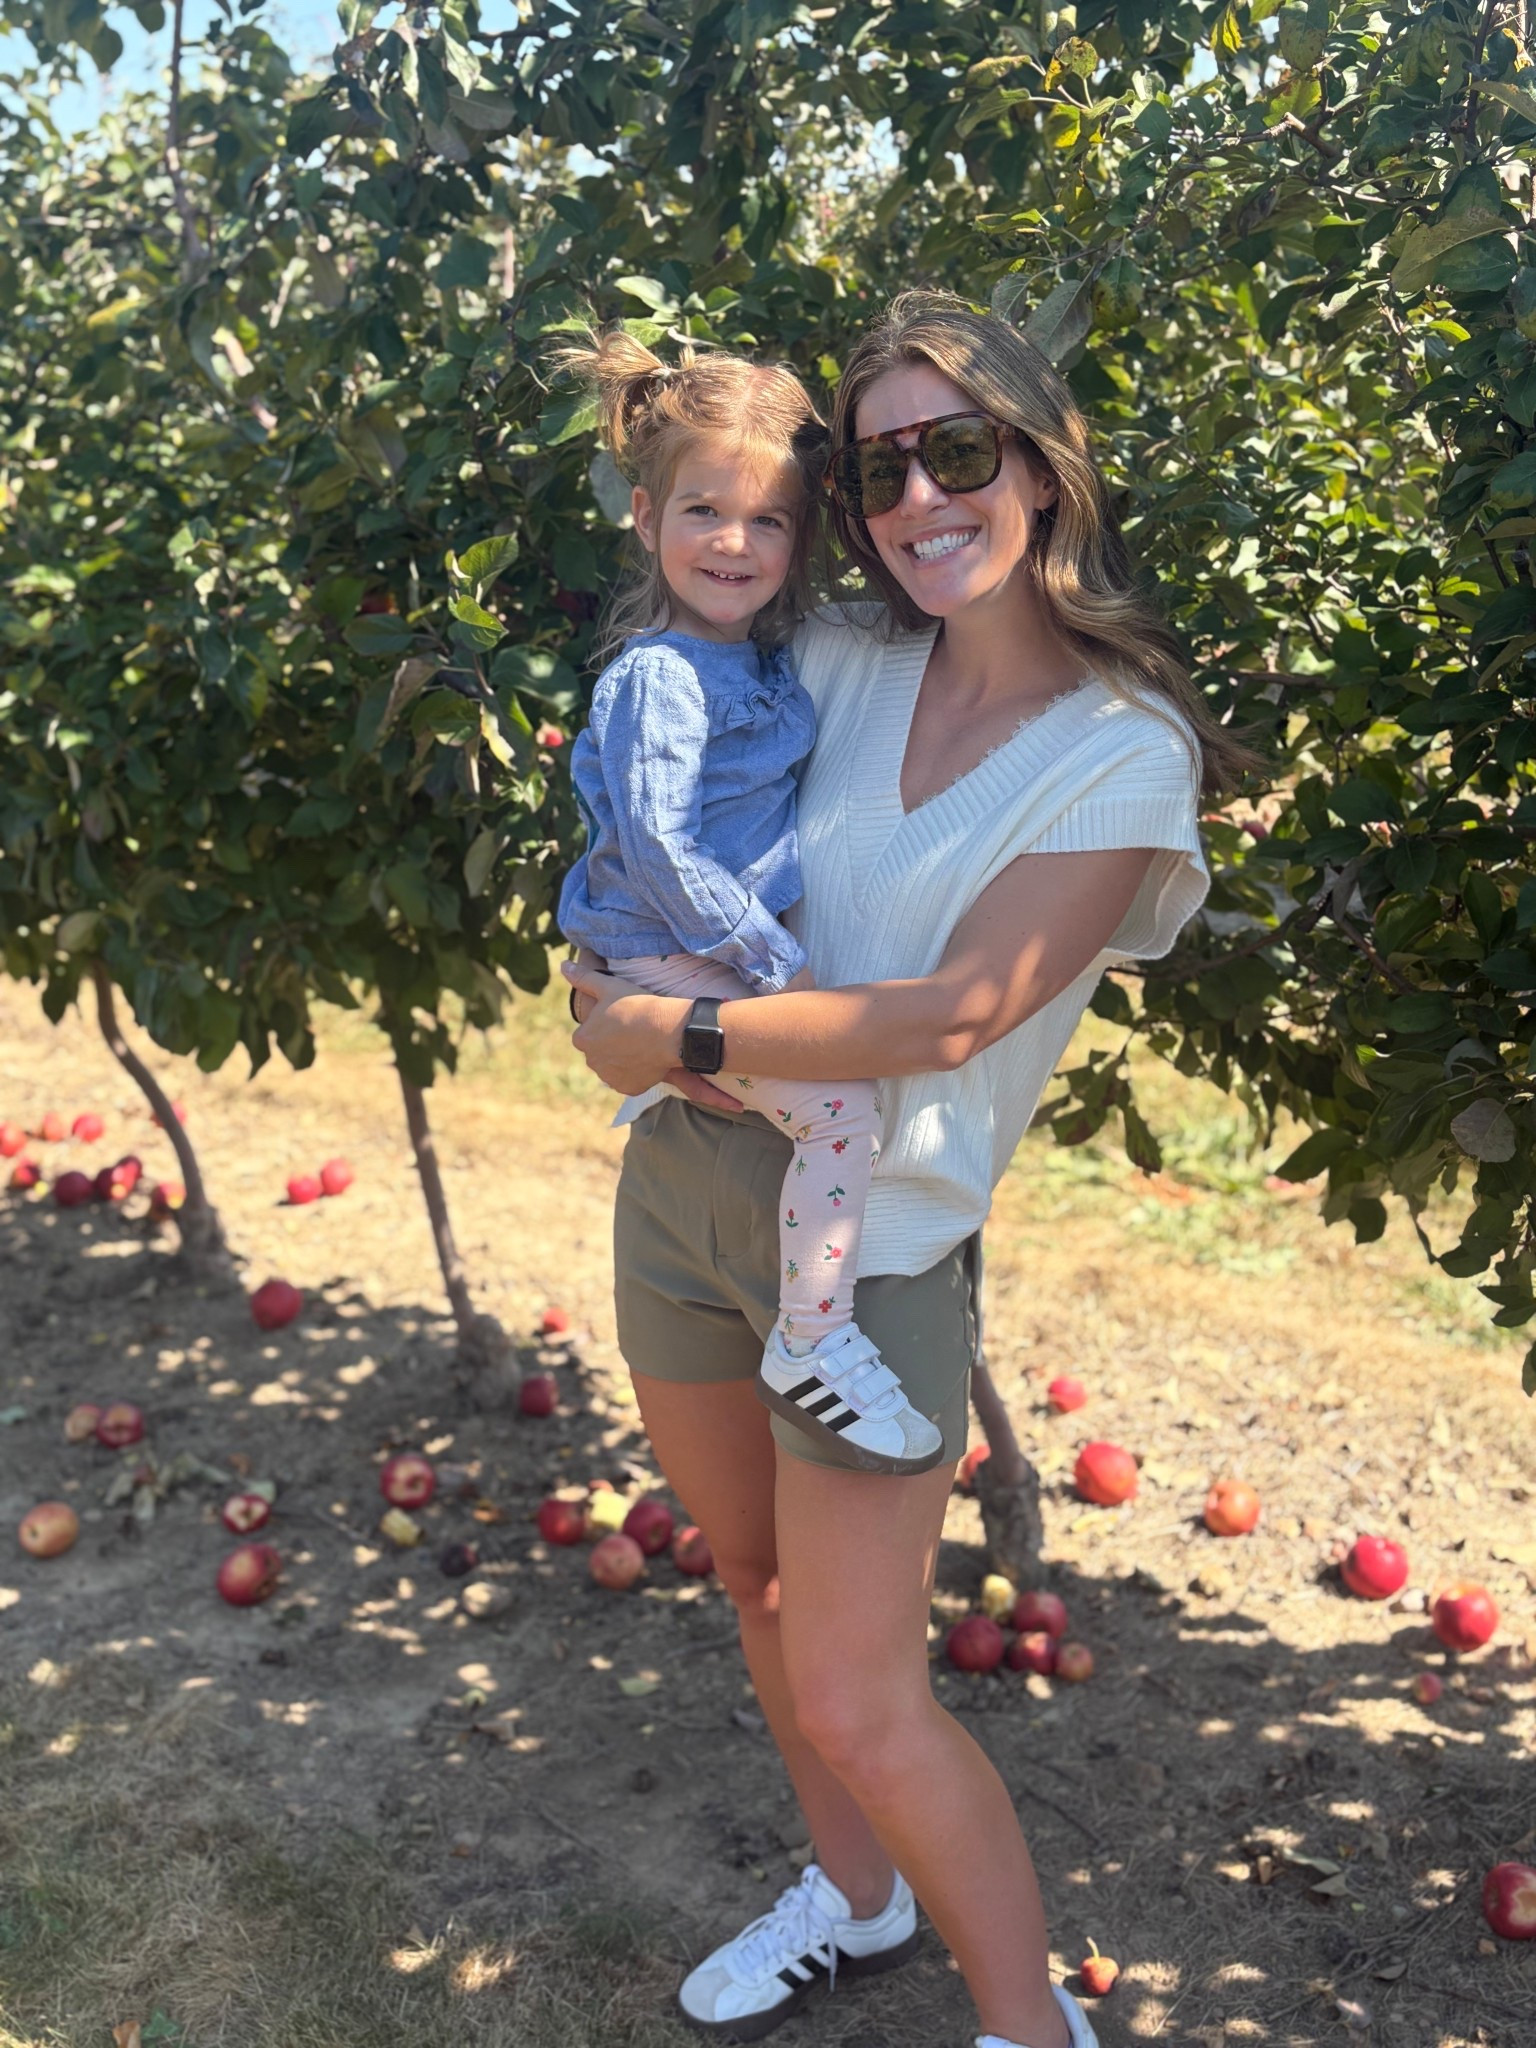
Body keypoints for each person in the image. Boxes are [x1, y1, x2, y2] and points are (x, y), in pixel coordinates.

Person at [564, 291, 1248, 2048]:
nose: (920, 494)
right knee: (753, 1587)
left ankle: (1032, 2020)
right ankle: (857, 1901)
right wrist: (604, 973)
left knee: (867, 1697)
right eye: (879, 465)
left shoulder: (1120, 751)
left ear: (1037, 461)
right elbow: (665, 811)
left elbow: (955, 1012)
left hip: (872, 1261)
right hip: (685, 1207)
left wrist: (678, 1035)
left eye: (959, 448)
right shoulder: (837, 659)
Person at [554, 326, 943, 1473]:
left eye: (767, 520)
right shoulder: (660, 678)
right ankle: (812, 1337)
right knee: (840, 1110)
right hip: (683, 947)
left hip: (705, 943)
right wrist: (778, 970)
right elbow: (664, 852)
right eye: (703, 513)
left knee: (826, 1099)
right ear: (643, 516)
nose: (735, 541)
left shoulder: (759, 659)